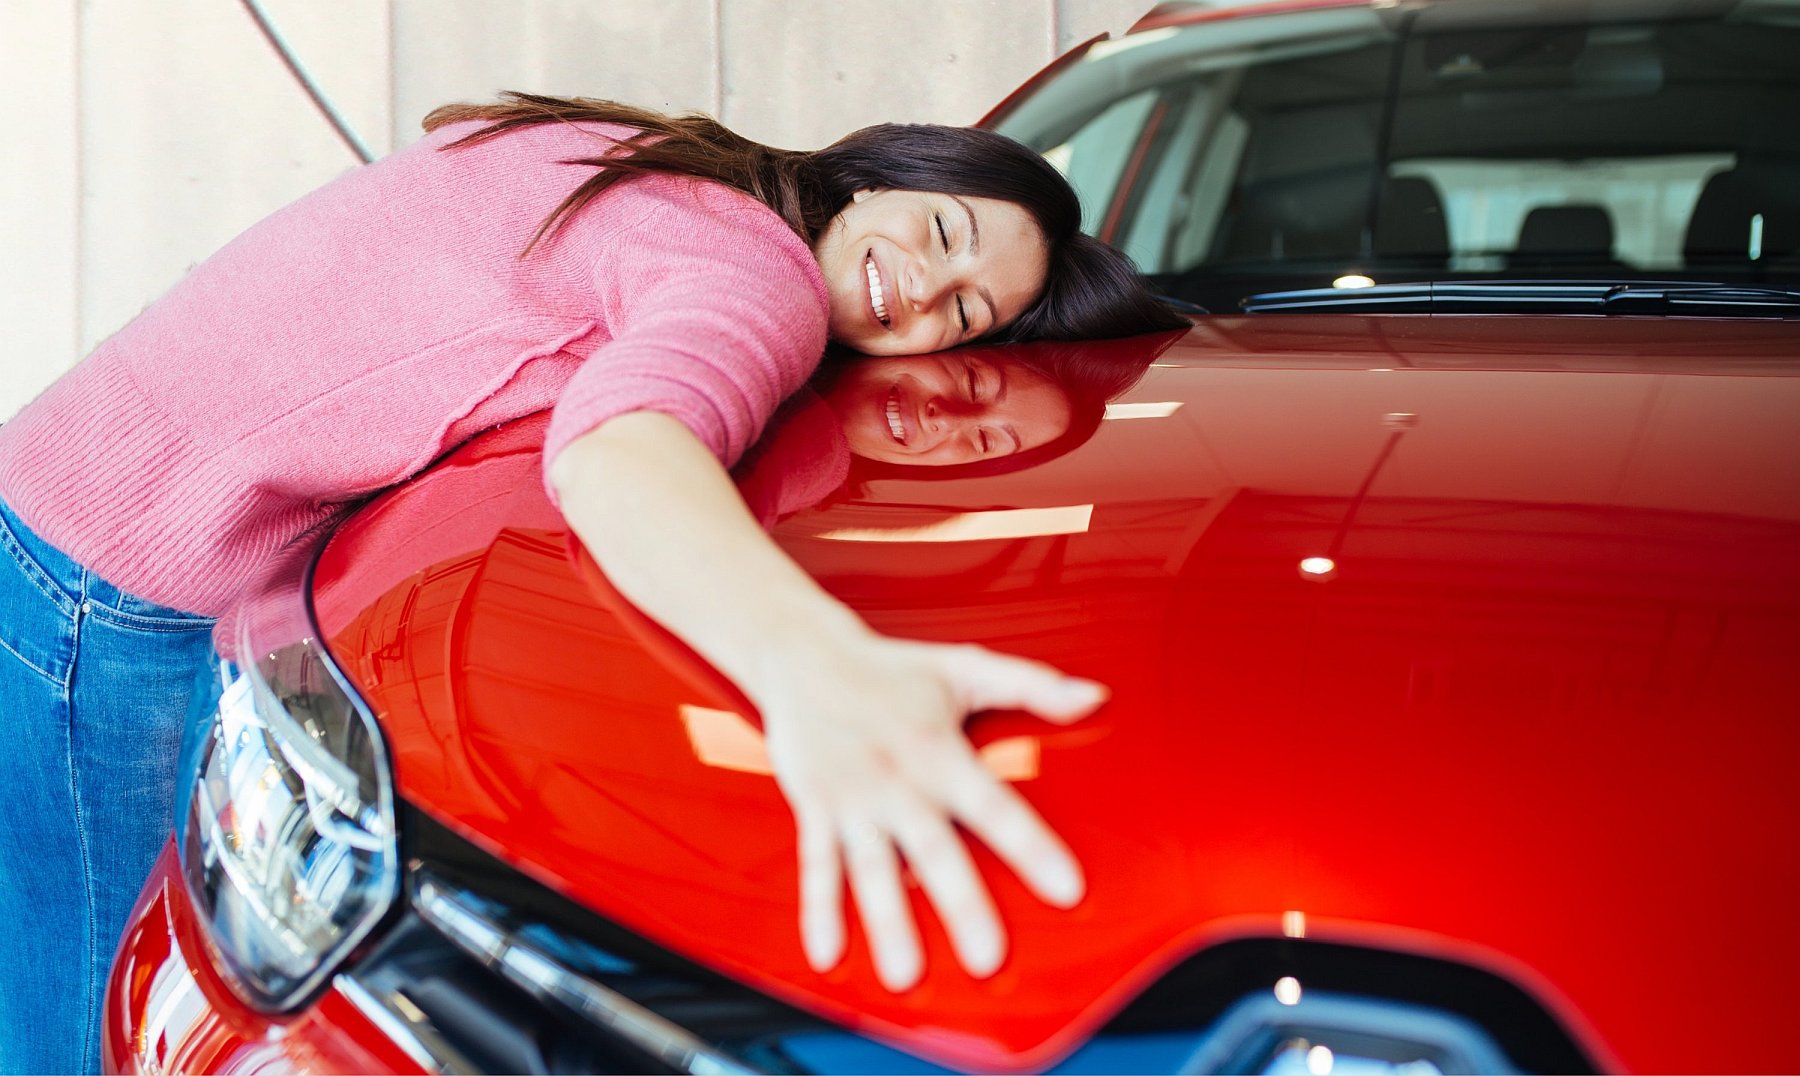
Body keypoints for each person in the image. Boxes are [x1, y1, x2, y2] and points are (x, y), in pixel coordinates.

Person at [0, 91, 1186, 1072]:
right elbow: (620, 446)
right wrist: (820, 669)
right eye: (940, 234)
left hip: (53, 506)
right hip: (102, 594)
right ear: (880, 177)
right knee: (92, 1027)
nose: (919, 292)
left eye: (964, 312)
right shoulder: (750, 269)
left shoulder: (645, 156)